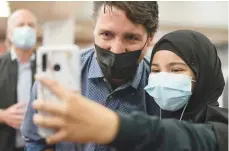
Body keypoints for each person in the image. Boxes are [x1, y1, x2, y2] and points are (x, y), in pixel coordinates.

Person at [32, 30, 228, 151]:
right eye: (156, 70)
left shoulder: (221, 129)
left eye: (176, 70)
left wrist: (113, 126)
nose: (163, 78)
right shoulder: (157, 113)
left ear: (203, 75)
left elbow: (182, 139)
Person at [21, 1, 159, 151]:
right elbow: (37, 141)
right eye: (107, 34)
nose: (117, 49)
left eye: (131, 37)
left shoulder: (159, 89)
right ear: (94, 29)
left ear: (150, 38)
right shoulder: (55, 78)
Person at [0, 9, 38, 151]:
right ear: (9, 33)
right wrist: (2, 115)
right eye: (20, 25)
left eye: (31, 25)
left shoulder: (47, 66)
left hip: (40, 145)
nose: (26, 29)